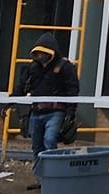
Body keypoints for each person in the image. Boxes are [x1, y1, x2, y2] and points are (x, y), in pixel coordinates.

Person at [16, 42, 81, 184]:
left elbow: (72, 89)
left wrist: (70, 112)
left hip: (56, 111)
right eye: (37, 53)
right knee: (36, 145)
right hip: (36, 112)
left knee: (49, 140)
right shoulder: (33, 68)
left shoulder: (64, 67)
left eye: (42, 53)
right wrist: (11, 100)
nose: (39, 56)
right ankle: (41, 179)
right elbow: (21, 87)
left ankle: (54, 176)